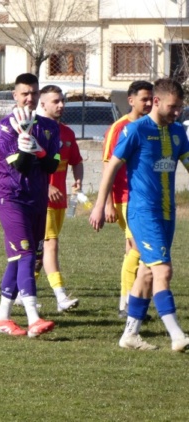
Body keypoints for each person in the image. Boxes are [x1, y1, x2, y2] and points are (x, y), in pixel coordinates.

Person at [90, 78, 189, 352]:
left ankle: (130, 335)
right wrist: (100, 204)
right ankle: (177, 335)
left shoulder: (178, 132)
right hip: (143, 211)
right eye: (173, 107)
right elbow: (111, 168)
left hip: (168, 213)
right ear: (157, 101)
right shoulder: (135, 130)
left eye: (180, 107)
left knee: (146, 272)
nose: (177, 112)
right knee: (163, 270)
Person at [0, 73, 59, 338]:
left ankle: (2, 318)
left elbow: (52, 165)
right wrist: (26, 143)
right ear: (15, 96)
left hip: (37, 200)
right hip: (12, 198)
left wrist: (39, 149)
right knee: (27, 254)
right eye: (24, 93)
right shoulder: (5, 127)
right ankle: (33, 318)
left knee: (18, 259)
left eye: (33, 93)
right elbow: (19, 165)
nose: (29, 98)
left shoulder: (49, 127)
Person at [102, 80, 153, 318]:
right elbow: (107, 165)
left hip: (144, 198)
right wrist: (108, 203)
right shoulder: (119, 128)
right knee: (139, 248)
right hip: (124, 198)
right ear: (131, 100)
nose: (149, 103)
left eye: (151, 99)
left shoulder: (151, 126)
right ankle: (126, 304)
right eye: (144, 99)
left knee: (132, 249)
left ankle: (131, 302)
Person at [35, 84, 82, 312]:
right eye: (56, 101)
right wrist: (46, 187)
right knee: (50, 245)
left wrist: (78, 180)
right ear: (43, 104)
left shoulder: (67, 133)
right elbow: (27, 166)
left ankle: (20, 292)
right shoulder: (35, 130)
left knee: (39, 250)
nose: (61, 105)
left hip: (60, 201)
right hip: (40, 200)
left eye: (62, 100)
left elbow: (77, 161)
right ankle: (61, 296)